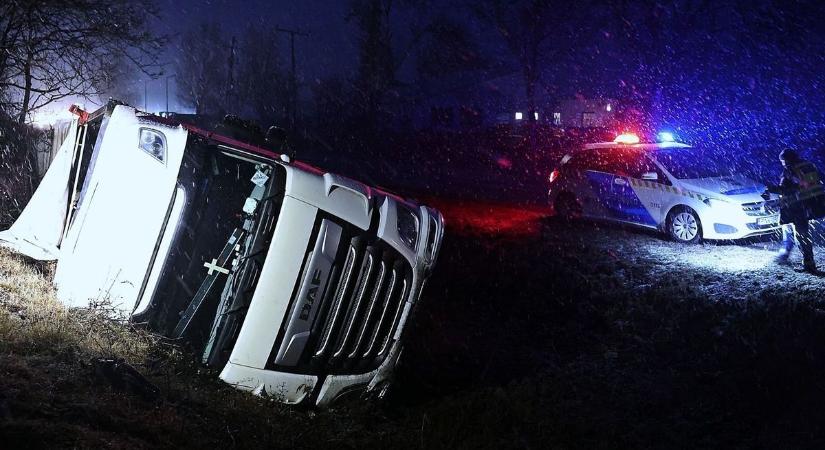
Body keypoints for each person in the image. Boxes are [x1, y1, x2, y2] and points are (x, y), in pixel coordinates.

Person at [763, 148, 825, 272]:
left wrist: (773, 189)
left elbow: (794, 189)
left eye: (783, 161)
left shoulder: (794, 169)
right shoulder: (807, 166)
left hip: (799, 207)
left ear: (787, 160)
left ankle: (808, 264)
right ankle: (787, 255)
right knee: (794, 232)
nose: (783, 164)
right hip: (807, 206)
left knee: (802, 235)